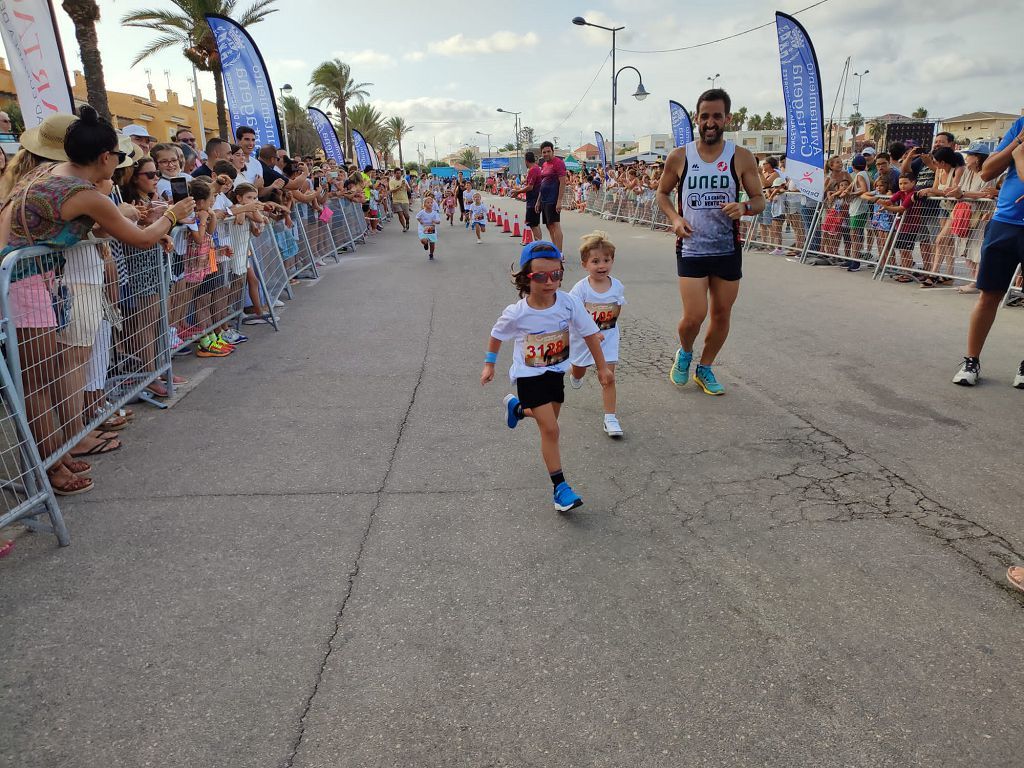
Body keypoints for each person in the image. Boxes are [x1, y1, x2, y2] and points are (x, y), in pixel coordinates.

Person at [0, 107, 194, 495]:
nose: (123, 162)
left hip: (35, 284)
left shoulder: (50, 176)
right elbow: (138, 238)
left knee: (48, 374)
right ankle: (52, 467)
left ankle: (59, 450)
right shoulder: (80, 192)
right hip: (21, 286)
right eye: (121, 156)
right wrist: (173, 214)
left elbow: (115, 228)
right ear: (105, 158)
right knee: (38, 382)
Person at [481, 240, 612, 512]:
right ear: (526, 278)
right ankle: (560, 488)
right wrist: (489, 364)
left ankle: (517, 409)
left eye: (556, 275)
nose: (550, 281)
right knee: (551, 429)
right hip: (528, 375)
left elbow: (589, 334)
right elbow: (496, 336)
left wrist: (602, 368)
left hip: (555, 371)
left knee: (549, 420)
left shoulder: (568, 303)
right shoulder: (517, 313)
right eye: (540, 276)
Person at [656, 88, 764, 396]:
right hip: (691, 248)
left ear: (727, 118)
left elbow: (759, 201)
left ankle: (705, 367)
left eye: (717, 116)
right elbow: (662, 194)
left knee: (721, 314)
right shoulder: (679, 156)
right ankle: (685, 352)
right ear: (697, 118)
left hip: (727, 249)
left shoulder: (741, 157)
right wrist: (675, 220)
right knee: (694, 316)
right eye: (705, 116)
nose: (711, 122)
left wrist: (743, 207)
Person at [952, 119, 1024, 387]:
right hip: (1005, 222)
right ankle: (971, 361)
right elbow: (986, 171)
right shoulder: (1020, 127)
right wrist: (1018, 143)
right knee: (989, 294)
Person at [568, 230, 625, 438]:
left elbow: (617, 308)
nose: (602, 265)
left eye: (606, 260)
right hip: (584, 340)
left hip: (608, 337)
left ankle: (610, 418)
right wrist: (590, 332)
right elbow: (573, 315)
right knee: (579, 370)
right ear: (585, 264)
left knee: (608, 377)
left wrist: (609, 327)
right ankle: (575, 373)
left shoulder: (617, 285)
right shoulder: (580, 289)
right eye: (595, 261)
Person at [535, 142, 567, 253]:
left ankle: (560, 253)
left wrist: (559, 201)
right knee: (549, 226)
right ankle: (555, 250)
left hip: (553, 199)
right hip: (544, 200)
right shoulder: (544, 165)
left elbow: (563, 183)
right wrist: (538, 201)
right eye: (544, 152)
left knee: (555, 225)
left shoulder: (558, 163)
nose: (546, 154)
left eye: (548, 151)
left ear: (553, 151)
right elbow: (542, 183)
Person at [511, 150, 542, 242]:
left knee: (533, 224)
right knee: (535, 224)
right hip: (535, 199)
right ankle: (539, 243)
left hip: (533, 200)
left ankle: (539, 244)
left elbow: (530, 187)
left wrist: (518, 192)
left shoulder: (533, 170)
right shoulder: (536, 168)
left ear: (526, 160)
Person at [415, 194, 441, 260]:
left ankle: (431, 254)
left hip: (431, 229)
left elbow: (438, 221)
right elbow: (417, 217)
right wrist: (420, 220)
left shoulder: (434, 213)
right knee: (423, 240)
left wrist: (435, 221)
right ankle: (425, 244)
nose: (430, 204)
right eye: (428, 202)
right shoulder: (422, 212)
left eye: (431, 203)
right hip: (423, 228)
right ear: (424, 204)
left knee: (432, 243)